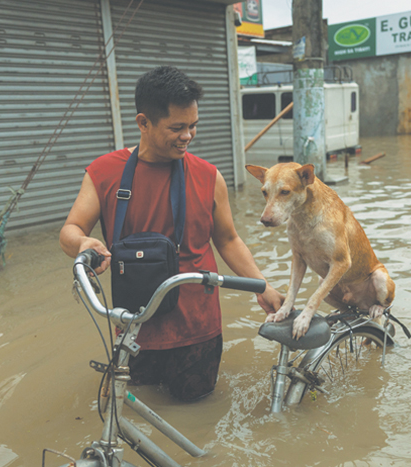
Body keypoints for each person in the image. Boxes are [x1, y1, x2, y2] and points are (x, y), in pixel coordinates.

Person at [60, 66, 283, 401]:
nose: (188, 136)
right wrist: (84, 242)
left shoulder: (209, 177)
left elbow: (227, 240)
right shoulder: (104, 172)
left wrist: (262, 285)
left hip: (198, 329)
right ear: (143, 123)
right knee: (131, 411)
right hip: (134, 326)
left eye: (193, 126)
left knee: (196, 412)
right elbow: (70, 230)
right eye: (177, 128)